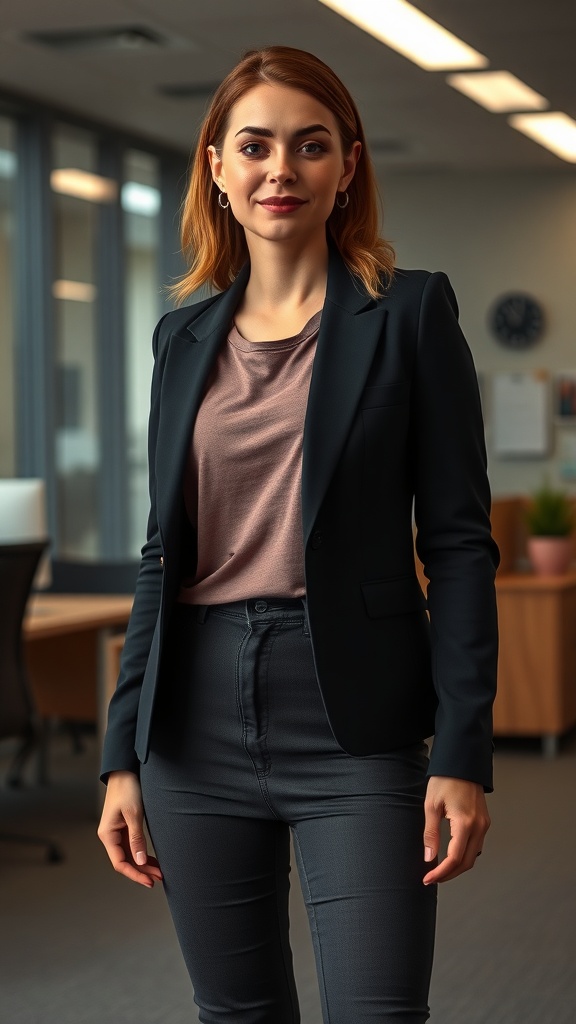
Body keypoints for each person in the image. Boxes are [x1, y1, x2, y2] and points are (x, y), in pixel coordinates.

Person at [98, 45, 499, 1024]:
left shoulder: (409, 313)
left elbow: (456, 543)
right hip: (192, 719)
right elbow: (164, 551)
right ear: (218, 167)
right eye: (257, 146)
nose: (282, 169)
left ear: (348, 166)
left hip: (352, 717)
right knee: (235, 1010)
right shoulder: (179, 338)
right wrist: (120, 752)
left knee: (378, 1009)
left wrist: (464, 749)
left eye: (311, 146)